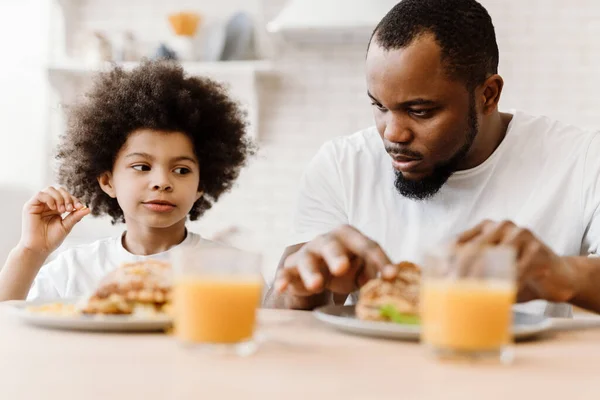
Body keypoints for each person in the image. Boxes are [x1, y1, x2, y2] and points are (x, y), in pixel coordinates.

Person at [266, 0, 600, 316]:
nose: (393, 134)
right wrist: (302, 289)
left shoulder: (580, 159)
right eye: (379, 106)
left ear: (488, 95)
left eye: (420, 111)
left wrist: (564, 273)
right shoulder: (342, 165)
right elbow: (273, 317)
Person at [0, 60, 253, 301]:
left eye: (182, 170)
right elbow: (8, 331)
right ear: (108, 181)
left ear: (201, 186)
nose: (162, 182)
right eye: (142, 166)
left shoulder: (232, 269)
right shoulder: (74, 269)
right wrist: (31, 251)